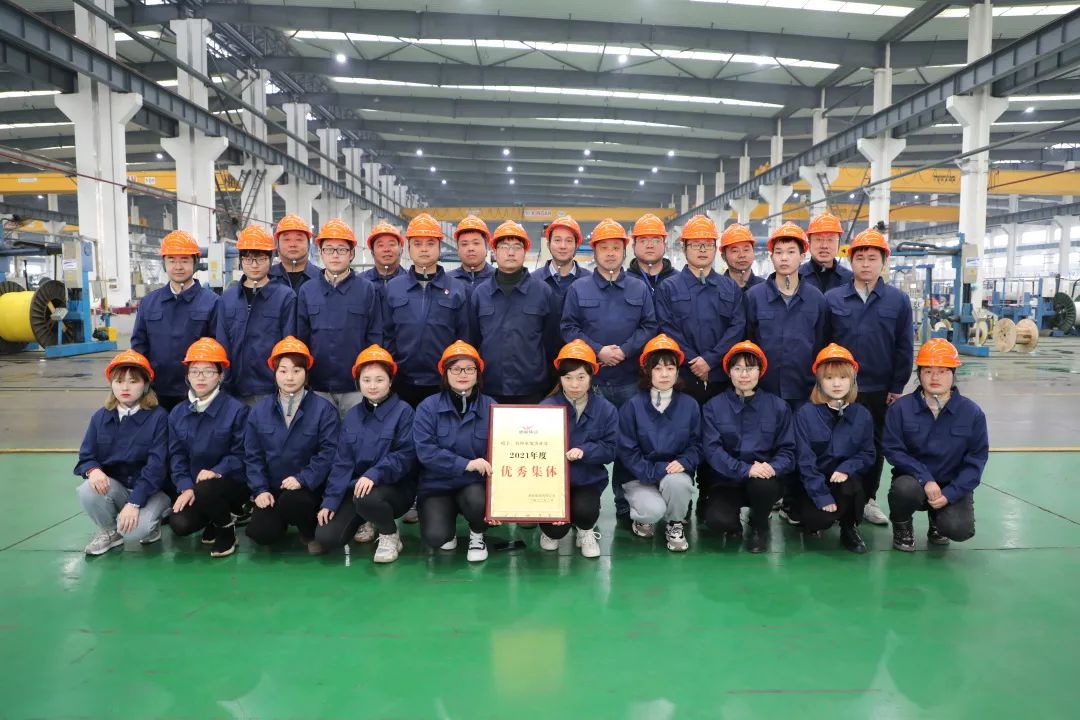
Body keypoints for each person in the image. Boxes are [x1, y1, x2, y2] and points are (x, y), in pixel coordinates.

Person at [561, 217, 657, 521]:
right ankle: (578, 505)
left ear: (624, 251)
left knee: (629, 446)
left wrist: (625, 350)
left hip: (630, 381)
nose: (611, 253)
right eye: (604, 248)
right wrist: (598, 351)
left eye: (616, 247)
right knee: (583, 444)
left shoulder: (639, 288)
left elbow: (649, 325)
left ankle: (625, 506)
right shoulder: (579, 288)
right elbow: (568, 327)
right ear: (595, 251)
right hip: (590, 384)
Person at [824, 227, 914, 527]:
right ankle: (836, 499)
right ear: (850, 261)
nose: (865, 264)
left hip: (879, 389)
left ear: (883, 262)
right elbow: (822, 343)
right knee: (836, 443)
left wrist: (897, 386)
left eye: (872, 258)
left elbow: (904, 346)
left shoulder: (898, 301)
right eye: (859, 258)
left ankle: (868, 500)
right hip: (838, 387)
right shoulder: (833, 299)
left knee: (874, 447)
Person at [883, 339, 988, 553]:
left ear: (953, 373)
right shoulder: (900, 409)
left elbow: (976, 460)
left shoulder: (972, 413)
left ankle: (938, 522)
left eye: (942, 371)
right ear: (919, 373)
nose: (935, 377)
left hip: (951, 484)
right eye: (928, 371)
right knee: (904, 490)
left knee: (959, 529)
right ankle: (902, 526)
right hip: (914, 481)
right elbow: (893, 450)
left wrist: (951, 493)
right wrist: (925, 478)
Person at [314, 345, 416, 563]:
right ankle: (368, 518)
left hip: (394, 490)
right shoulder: (352, 416)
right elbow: (342, 462)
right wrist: (330, 501)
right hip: (359, 490)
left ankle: (389, 534)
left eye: (379, 379)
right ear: (358, 382)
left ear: (390, 381)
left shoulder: (404, 412)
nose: (372, 386)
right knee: (327, 537)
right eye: (366, 380)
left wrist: (374, 474)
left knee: (368, 498)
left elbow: (405, 455)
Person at [244, 336, 339, 554]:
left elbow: (329, 452)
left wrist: (303, 479)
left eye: (296, 370)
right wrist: (260, 490)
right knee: (260, 533)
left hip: (309, 489)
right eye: (283, 370)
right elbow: (253, 455)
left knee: (294, 502)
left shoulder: (323, 410)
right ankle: (281, 522)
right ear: (274, 372)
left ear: (306, 373)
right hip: (274, 489)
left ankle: (309, 532)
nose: (289, 377)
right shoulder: (259, 411)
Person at [701, 341, 795, 553]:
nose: (744, 375)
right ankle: (733, 524)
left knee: (763, 486)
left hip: (763, 480)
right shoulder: (713, 407)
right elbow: (712, 451)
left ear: (760, 372)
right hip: (727, 481)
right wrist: (745, 469)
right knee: (718, 521)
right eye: (738, 368)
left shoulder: (778, 407)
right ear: (729, 372)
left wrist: (772, 467)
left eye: (750, 368)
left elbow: (788, 450)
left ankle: (759, 526)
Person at [74, 350, 170, 555]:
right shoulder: (100, 417)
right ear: (111, 384)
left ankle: (153, 525)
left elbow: (157, 467)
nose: (125, 387)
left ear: (146, 384)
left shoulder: (159, 418)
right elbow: (87, 455)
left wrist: (134, 503)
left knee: (136, 531)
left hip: (151, 490)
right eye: (119, 381)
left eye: (133, 381)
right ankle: (110, 532)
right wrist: (93, 470)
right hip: (117, 487)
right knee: (86, 490)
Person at [412, 341, 497, 562]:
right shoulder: (428, 407)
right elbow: (425, 451)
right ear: (445, 373)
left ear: (478, 373)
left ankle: (477, 533)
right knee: (436, 537)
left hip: (473, 484)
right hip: (437, 485)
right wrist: (466, 464)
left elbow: (502, 449)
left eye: (469, 369)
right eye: (456, 369)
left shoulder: (491, 407)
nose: (463, 374)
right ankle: (447, 527)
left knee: (478, 502)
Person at [166, 338, 250, 558]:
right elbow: (177, 456)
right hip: (196, 487)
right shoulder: (177, 413)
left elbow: (242, 454)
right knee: (180, 524)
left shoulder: (237, 410)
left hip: (232, 483)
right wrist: (185, 486)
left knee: (208, 488)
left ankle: (226, 528)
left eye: (209, 371)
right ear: (187, 376)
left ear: (220, 375)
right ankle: (213, 518)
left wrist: (217, 471)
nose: (201, 377)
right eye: (195, 371)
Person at [617, 334, 702, 552]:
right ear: (647, 371)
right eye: (658, 368)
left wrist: (685, 461)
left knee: (679, 484)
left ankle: (675, 523)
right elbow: (627, 451)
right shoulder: (632, 406)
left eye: (670, 368)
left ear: (678, 371)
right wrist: (657, 470)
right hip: (639, 476)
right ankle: (643, 518)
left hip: (673, 473)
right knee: (653, 510)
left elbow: (697, 444)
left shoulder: (690, 405)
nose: (664, 374)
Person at [296, 218, 384, 419]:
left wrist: (369, 377)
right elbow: (301, 338)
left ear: (351, 253)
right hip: (318, 385)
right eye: (329, 249)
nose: (335, 255)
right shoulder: (307, 290)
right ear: (320, 253)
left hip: (356, 387)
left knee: (357, 433)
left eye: (341, 249)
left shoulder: (367, 290)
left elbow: (375, 337)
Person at [537, 340, 618, 558]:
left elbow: (610, 450)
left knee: (585, 512)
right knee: (555, 531)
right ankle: (549, 531)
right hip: (551, 483)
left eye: (581, 377)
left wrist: (585, 451)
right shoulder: (545, 408)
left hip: (586, 480)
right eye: (568, 377)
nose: (574, 384)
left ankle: (585, 530)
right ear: (560, 378)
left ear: (591, 376)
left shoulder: (606, 410)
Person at [384, 212, 471, 409]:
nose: (424, 249)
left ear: (440, 247)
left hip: (444, 381)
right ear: (408, 248)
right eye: (417, 244)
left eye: (430, 243)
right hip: (402, 382)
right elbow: (386, 334)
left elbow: (464, 337)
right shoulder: (393, 288)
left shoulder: (457, 289)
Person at [655, 214, 745, 405]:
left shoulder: (730, 287)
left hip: (721, 376)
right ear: (684, 248)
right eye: (696, 244)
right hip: (683, 377)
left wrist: (710, 360)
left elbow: (737, 328)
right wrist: (694, 361)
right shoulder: (668, 288)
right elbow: (666, 328)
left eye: (708, 244)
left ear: (715, 248)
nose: (703, 250)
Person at [793, 343, 875, 553]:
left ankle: (849, 527)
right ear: (819, 381)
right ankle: (810, 519)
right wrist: (820, 495)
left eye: (843, 377)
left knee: (853, 483)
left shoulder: (862, 415)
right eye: (829, 378)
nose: (836, 384)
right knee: (818, 519)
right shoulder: (805, 414)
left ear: (852, 380)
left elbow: (868, 454)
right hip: (813, 484)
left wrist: (847, 468)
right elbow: (805, 460)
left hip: (844, 483)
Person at [470, 220, 560, 404]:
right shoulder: (480, 293)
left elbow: (553, 342)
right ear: (494, 251)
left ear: (525, 251)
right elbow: (473, 340)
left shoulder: (543, 292)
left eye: (517, 247)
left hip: (533, 389)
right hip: (489, 387)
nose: (510, 253)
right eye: (504, 247)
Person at [130, 230, 220, 410]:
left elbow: (219, 348)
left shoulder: (212, 302)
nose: (178, 266)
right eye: (172, 260)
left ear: (195, 262)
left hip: (198, 392)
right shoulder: (149, 302)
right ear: (164, 263)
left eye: (184, 260)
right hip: (156, 392)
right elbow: (139, 346)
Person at [745, 221, 827, 410]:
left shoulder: (816, 299)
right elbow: (748, 342)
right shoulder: (754, 297)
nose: (784, 258)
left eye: (791, 252)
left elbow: (821, 344)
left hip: (805, 391)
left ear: (802, 256)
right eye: (778, 252)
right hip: (763, 390)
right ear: (771, 257)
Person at [216, 224, 296, 406]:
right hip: (233, 388)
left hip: (270, 389)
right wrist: (223, 379)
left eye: (260, 258)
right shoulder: (227, 298)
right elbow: (222, 343)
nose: (254, 265)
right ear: (240, 260)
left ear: (270, 259)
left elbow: (288, 344)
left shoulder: (285, 297)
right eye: (248, 259)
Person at [533, 215, 588, 304]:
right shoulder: (533, 280)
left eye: (569, 241)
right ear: (548, 245)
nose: (563, 246)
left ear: (576, 246)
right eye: (557, 240)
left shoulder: (590, 281)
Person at [799, 211, 853, 294]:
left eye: (830, 239)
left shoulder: (850, 279)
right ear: (809, 243)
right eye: (818, 239)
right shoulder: (796, 277)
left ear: (838, 244)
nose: (824, 246)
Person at [269, 213, 321, 292]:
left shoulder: (323, 278)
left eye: (299, 239)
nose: (292, 244)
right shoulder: (266, 278)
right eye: (286, 240)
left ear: (308, 244)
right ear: (277, 244)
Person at [628, 213, 676, 294]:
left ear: (665, 245)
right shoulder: (623, 282)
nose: (650, 246)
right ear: (634, 246)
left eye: (656, 241)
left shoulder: (680, 281)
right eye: (643, 241)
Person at [448, 214, 495, 289]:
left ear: (486, 247)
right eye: (464, 244)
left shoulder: (499, 279)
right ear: (458, 249)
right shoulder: (446, 281)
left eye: (476, 243)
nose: (470, 248)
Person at [361, 220, 407, 288]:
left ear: (401, 250)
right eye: (380, 245)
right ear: (372, 252)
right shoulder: (360, 282)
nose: (386, 249)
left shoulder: (412, 281)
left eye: (391, 244)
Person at [720, 223, 764, 293]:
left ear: (753, 253)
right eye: (735, 251)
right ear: (723, 257)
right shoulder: (713, 290)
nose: (742, 255)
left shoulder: (766, 289)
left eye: (746, 250)